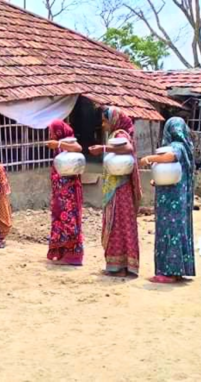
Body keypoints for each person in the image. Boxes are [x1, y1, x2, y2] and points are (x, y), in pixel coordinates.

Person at [140, 117, 195, 284]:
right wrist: (158, 181)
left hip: (172, 200)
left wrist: (149, 159)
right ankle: (178, 270)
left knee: (170, 231)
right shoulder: (187, 147)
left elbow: (171, 157)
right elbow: (176, 174)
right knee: (178, 229)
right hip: (176, 194)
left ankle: (169, 271)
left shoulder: (177, 147)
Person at [89, 107, 142, 277]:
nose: (103, 125)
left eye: (105, 121)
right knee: (121, 225)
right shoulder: (118, 134)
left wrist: (103, 149)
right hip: (118, 188)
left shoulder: (120, 134)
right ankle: (122, 265)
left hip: (119, 188)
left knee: (118, 224)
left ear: (113, 121)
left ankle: (121, 266)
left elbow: (127, 149)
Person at [45, 120, 85, 266]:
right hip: (59, 192)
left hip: (69, 193)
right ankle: (61, 251)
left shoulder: (68, 143)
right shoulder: (59, 147)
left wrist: (59, 144)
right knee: (59, 220)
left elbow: (78, 148)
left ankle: (73, 255)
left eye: (52, 132)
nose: (51, 135)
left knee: (69, 220)